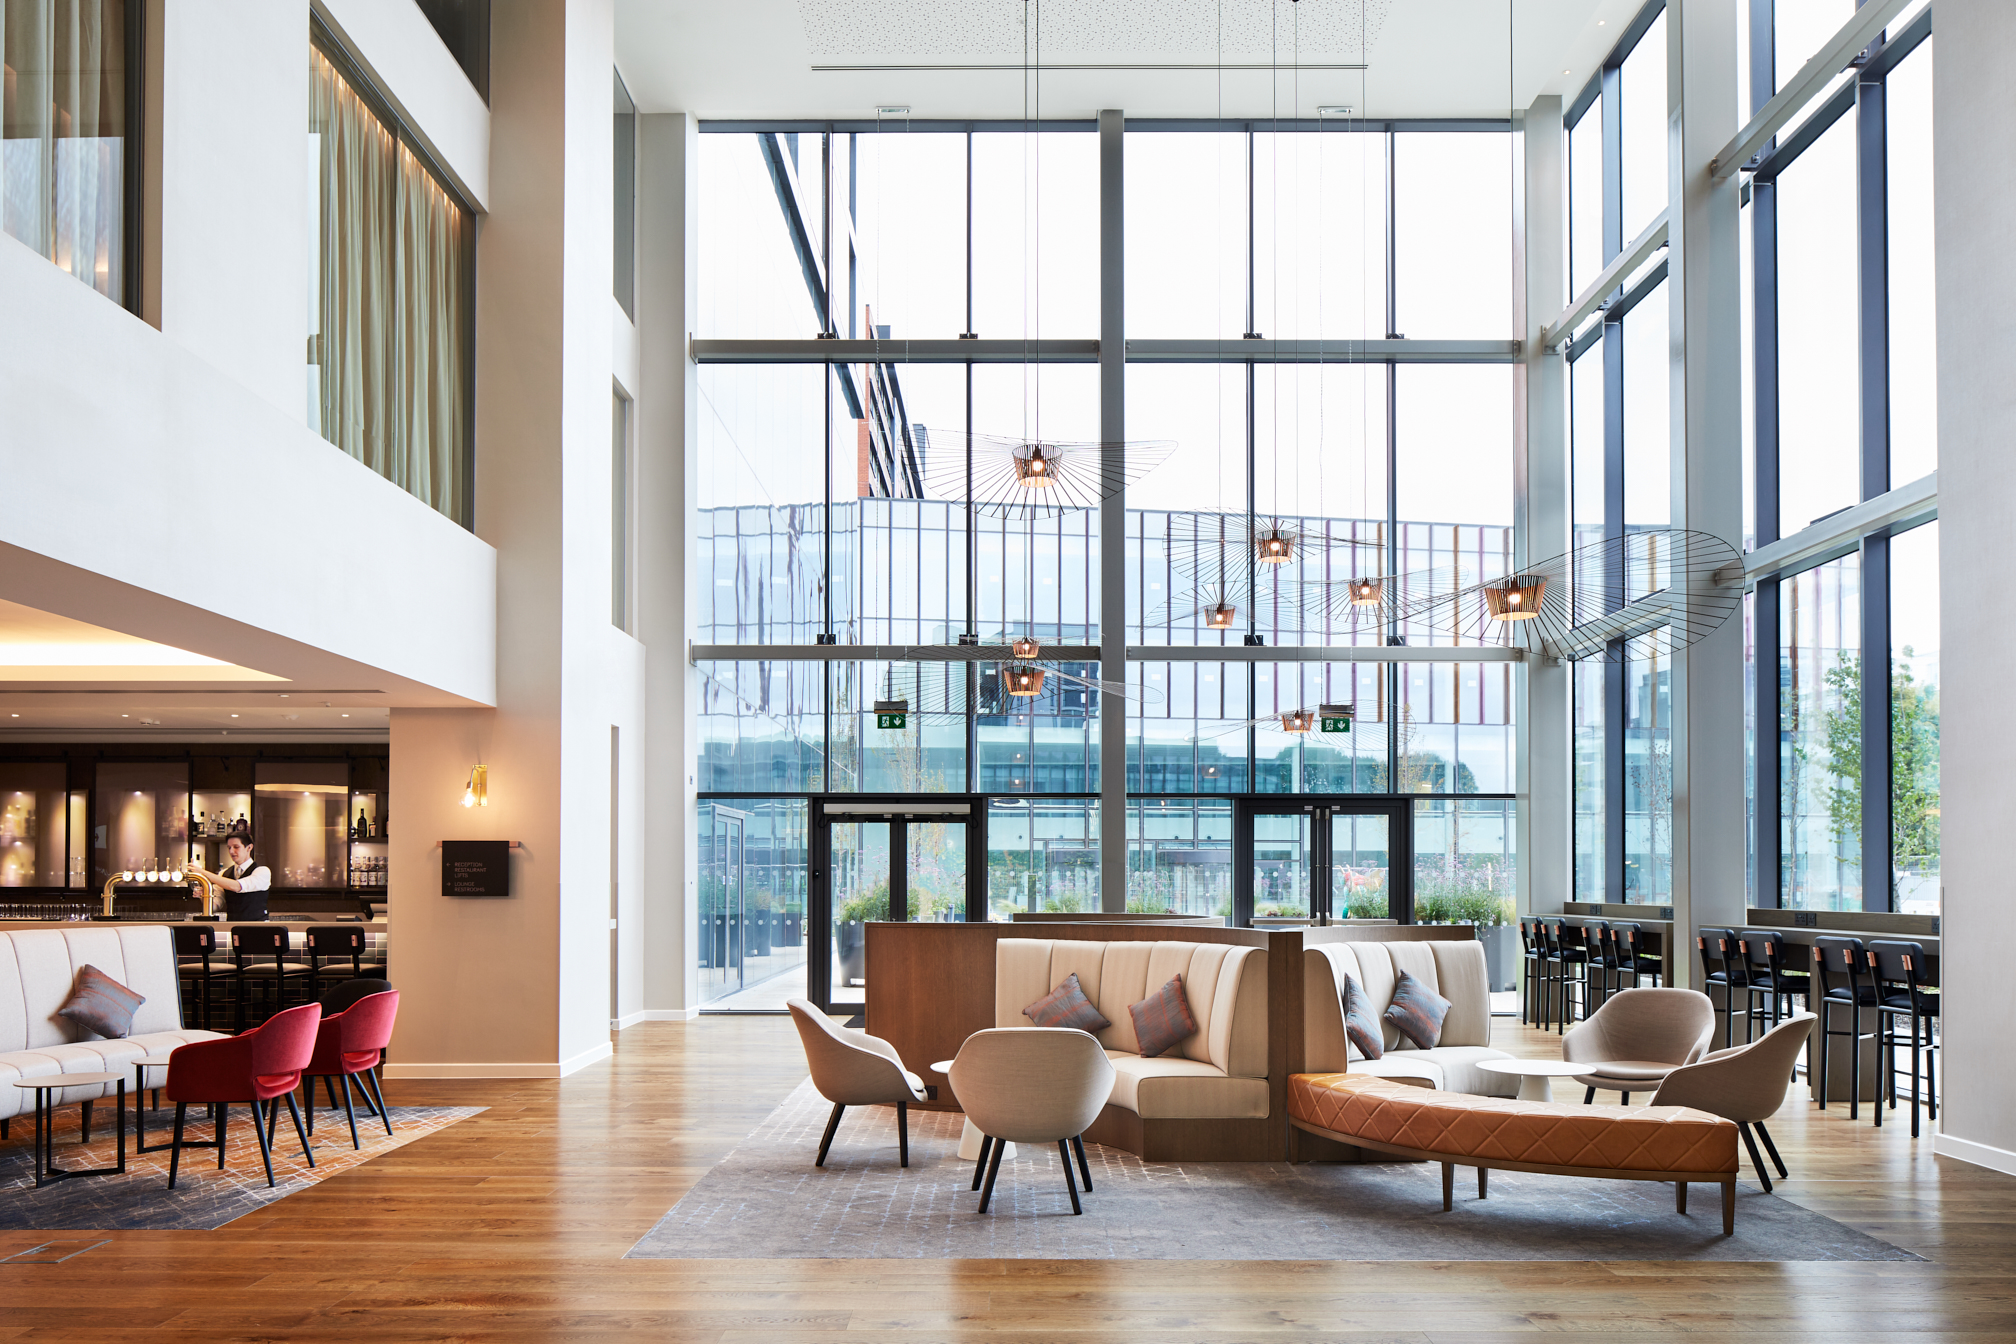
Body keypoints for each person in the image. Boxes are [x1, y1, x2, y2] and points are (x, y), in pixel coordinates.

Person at [189, 834, 272, 921]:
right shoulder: (223, 873)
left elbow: (237, 886)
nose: (231, 851)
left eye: (236, 847)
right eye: (229, 847)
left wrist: (203, 873)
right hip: (233, 927)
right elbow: (215, 906)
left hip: (259, 927)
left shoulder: (262, 871)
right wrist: (204, 895)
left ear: (249, 848)